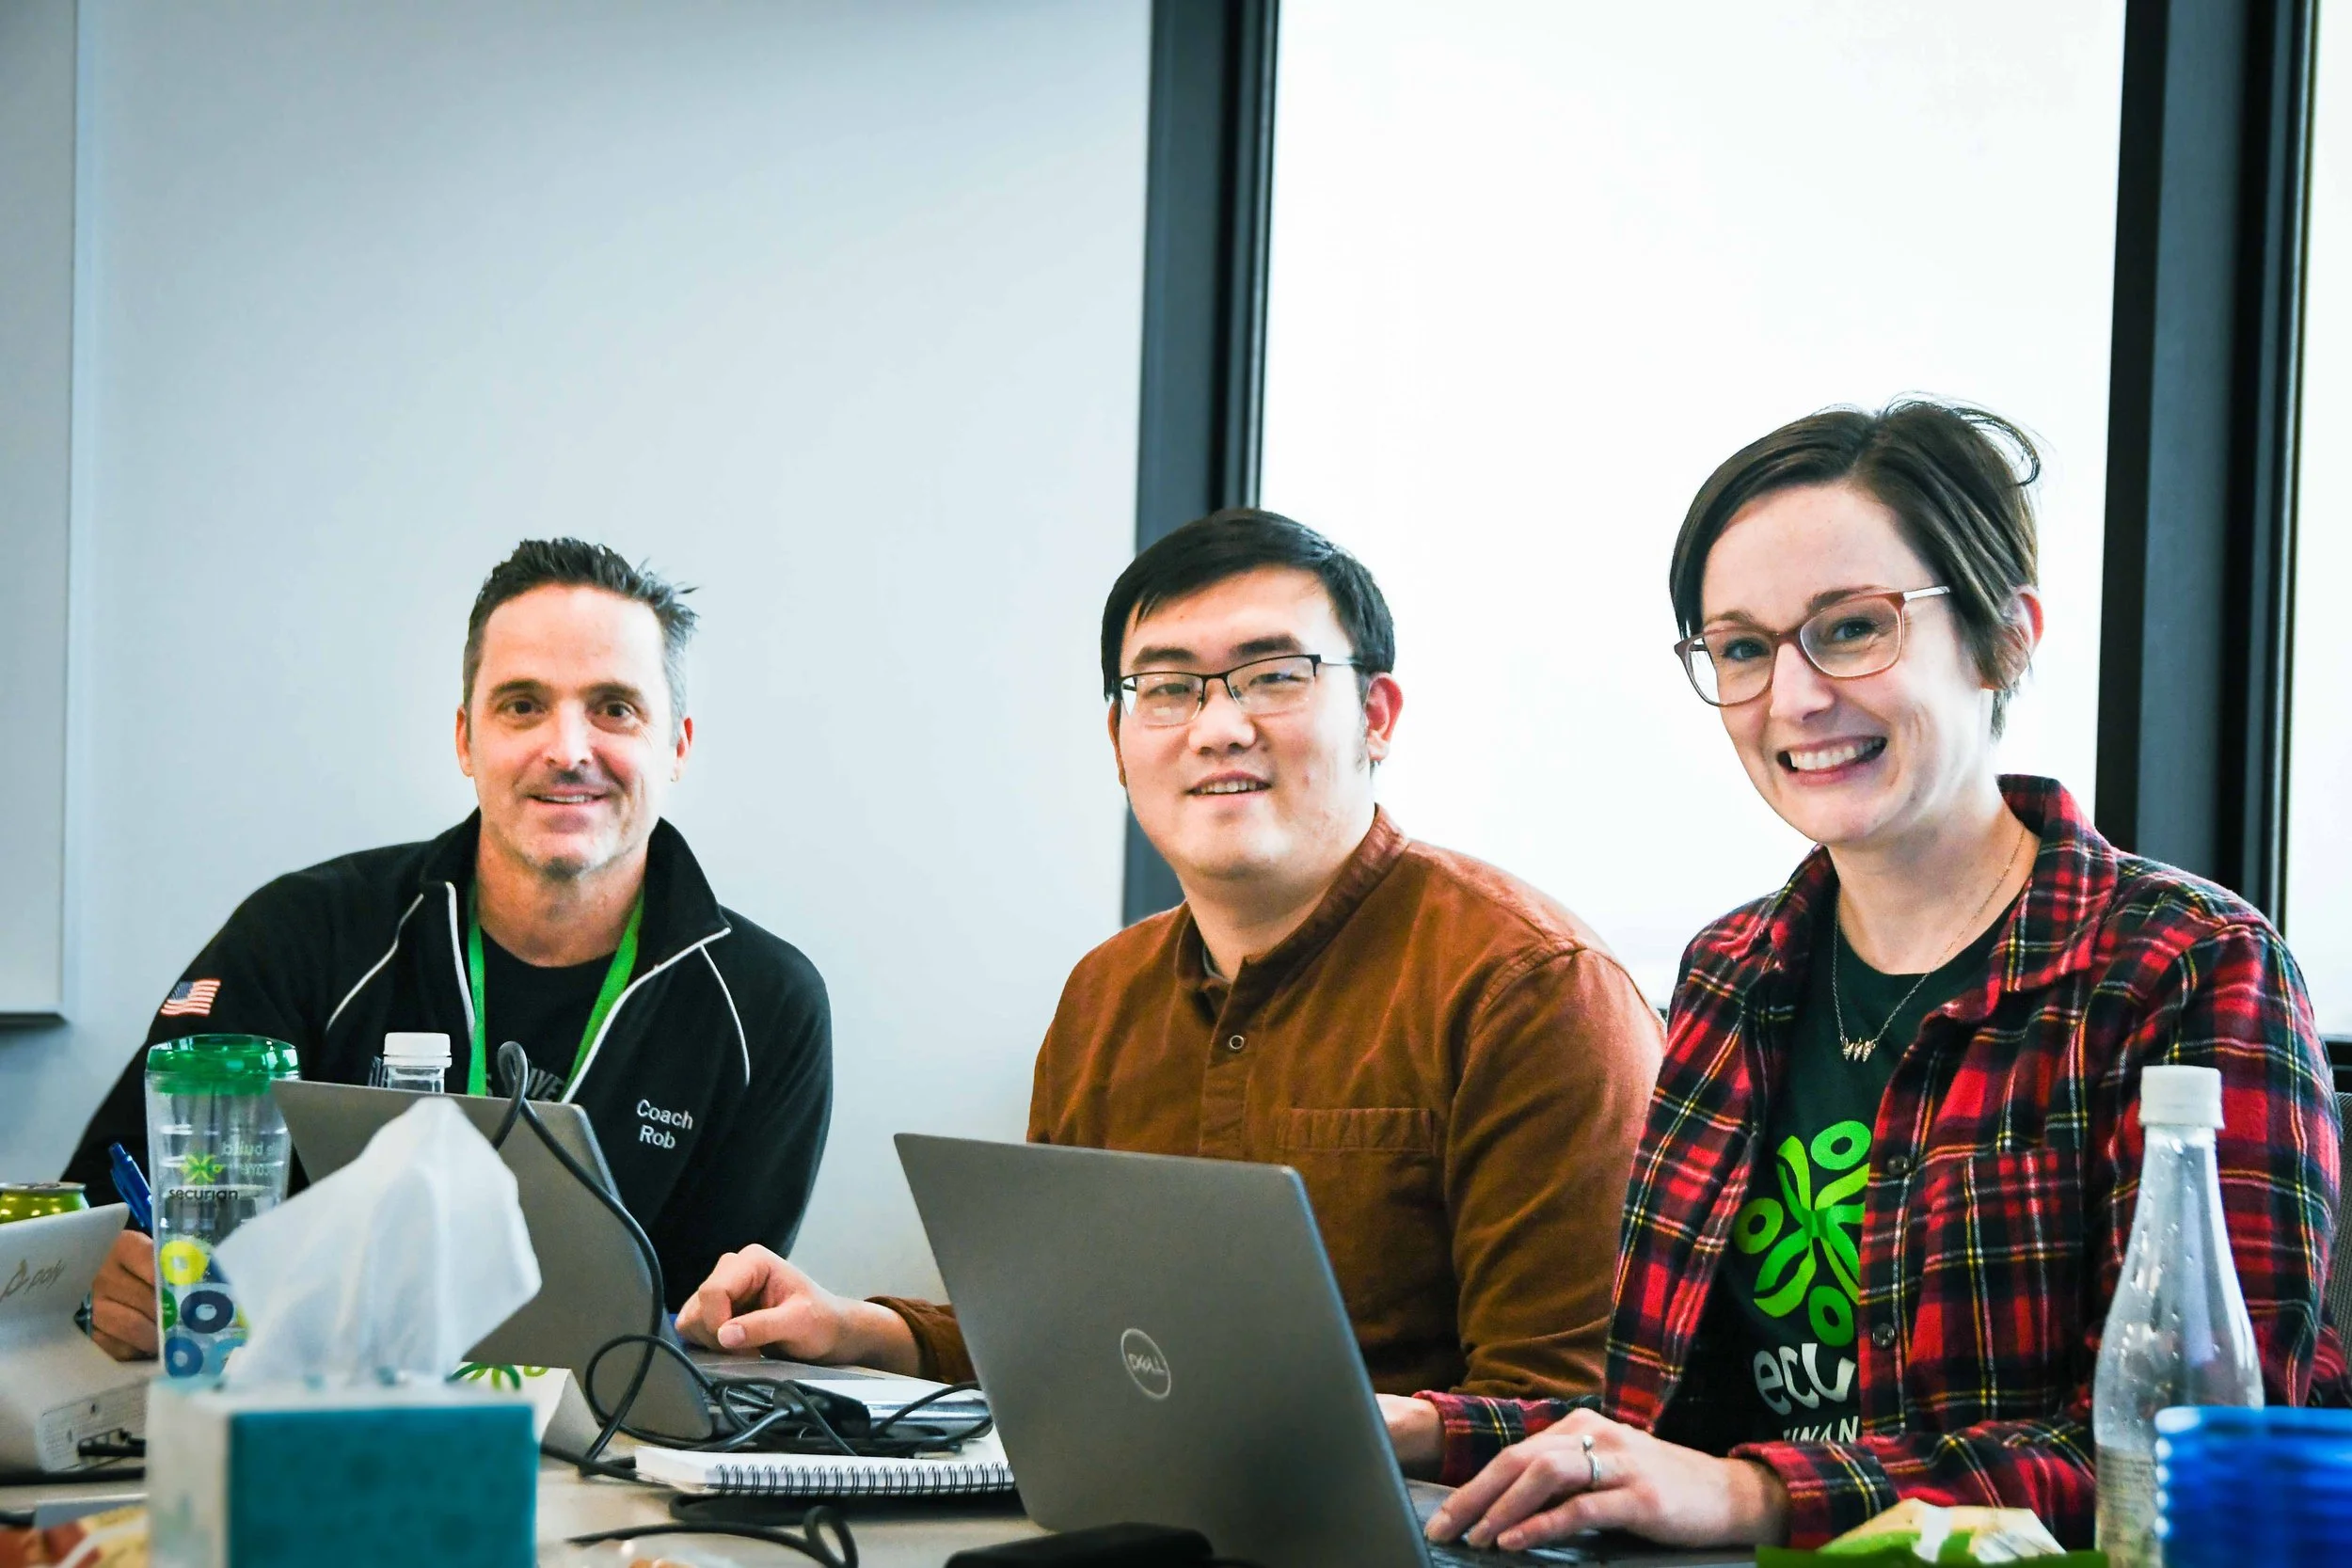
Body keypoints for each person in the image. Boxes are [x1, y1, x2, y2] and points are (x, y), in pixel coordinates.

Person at [1414, 401, 2344, 1551]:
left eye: (1850, 628)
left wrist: (1759, 1492)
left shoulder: (2182, 964)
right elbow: (1661, 1426)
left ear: (2004, 635)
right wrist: (1409, 1423)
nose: (1793, 699)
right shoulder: (1732, 968)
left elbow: (2182, 1451)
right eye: (1743, 648)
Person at [678, 508, 1664, 1404]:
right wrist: (857, 1328)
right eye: (1166, 687)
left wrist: (1324, 1431)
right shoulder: (1104, 994)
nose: (1219, 725)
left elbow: (1571, 1416)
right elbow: (1063, 1334)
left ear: (1375, 715)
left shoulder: (1533, 989)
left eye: (1276, 675)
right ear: (1118, 737)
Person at [65, 539, 833, 1358]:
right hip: (309, 1431)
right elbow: (96, 1216)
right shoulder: (301, 934)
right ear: (466, 740)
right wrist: (103, 1281)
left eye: (614, 707)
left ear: (676, 745)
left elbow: (712, 1333)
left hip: (614, 1465)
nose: (569, 749)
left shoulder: (766, 1007)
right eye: (523, 705)